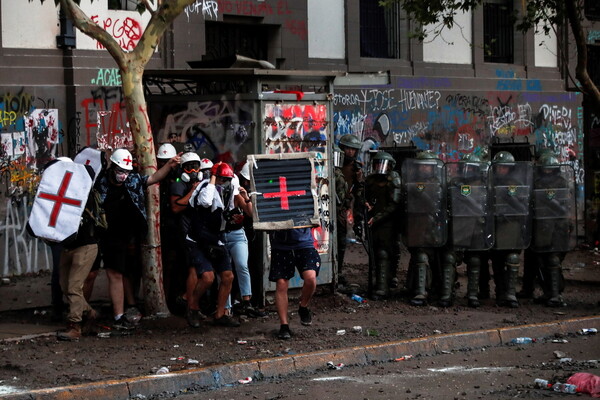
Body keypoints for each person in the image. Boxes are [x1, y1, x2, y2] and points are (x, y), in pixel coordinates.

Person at [96, 147, 180, 330]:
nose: (123, 176)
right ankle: (116, 315)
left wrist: (169, 166)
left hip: (129, 235)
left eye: (126, 172)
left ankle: (124, 310)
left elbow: (153, 178)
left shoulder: (133, 180)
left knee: (124, 272)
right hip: (106, 235)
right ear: (112, 168)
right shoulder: (100, 182)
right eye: (120, 171)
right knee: (113, 273)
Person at [186, 162, 240, 328]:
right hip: (198, 239)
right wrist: (212, 179)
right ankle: (192, 307)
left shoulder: (228, 188)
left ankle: (220, 314)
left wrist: (234, 218)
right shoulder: (204, 187)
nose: (224, 181)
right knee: (208, 277)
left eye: (226, 179)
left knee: (227, 276)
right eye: (221, 178)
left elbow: (228, 210)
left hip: (216, 238)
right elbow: (206, 202)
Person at [57, 184, 106, 341]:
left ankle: (75, 326)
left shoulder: (84, 192)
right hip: (68, 246)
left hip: (85, 245)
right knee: (65, 286)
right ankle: (90, 313)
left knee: (73, 287)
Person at [446, 154, 493, 308]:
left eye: (471, 168)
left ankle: (473, 294)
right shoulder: (454, 183)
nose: (467, 171)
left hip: (476, 227)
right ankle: (447, 294)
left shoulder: (483, 186)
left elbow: (483, 208)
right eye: (465, 167)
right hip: (458, 226)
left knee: (475, 260)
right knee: (450, 258)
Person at [402, 150, 447, 306]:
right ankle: (420, 291)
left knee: (437, 260)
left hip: (433, 227)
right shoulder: (411, 183)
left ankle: (436, 288)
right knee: (419, 256)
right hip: (416, 225)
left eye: (427, 166)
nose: (424, 169)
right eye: (421, 166)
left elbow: (436, 205)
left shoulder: (438, 184)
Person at [489, 151, 532, 308]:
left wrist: (510, 202)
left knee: (513, 258)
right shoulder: (490, 183)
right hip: (495, 227)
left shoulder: (517, 185)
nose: (502, 170)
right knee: (497, 262)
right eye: (499, 167)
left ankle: (511, 293)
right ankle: (500, 293)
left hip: (511, 226)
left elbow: (523, 208)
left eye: (505, 167)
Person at [530, 155, 575, 307]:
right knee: (541, 261)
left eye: (550, 168)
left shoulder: (561, 182)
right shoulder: (536, 182)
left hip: (557, 226)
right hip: (541, 225)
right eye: (545, 168)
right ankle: (548, 291)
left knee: (554, 259)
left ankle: (556, 294)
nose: (547, 171)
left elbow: (566, 205)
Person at [223, 162, 265, 318]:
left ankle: (247, 302)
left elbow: (251, 213)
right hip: (224, 235)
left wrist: (246, 198)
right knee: (227, 273)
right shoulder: (217, 195)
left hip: (241, 234)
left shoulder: (240, 195)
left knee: (243, 266)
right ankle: (227, 306)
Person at [170, 152, 208, 316]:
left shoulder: (203, 183)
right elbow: (176, 207)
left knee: (200, 270)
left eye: (196, 167)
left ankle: (191, 302)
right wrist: (193, 191)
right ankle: (189, 303)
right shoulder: (179, 185)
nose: (193, 171)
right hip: (185, 233)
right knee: (193, 269)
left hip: (199, 231)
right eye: (189, 167)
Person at [269, 227, 320, 340]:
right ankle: (284, 325)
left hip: (304, 242)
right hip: (280, 245)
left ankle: (303, 306)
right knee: (281, 283)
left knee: (311, 278)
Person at [364, 151, 401, 298]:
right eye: (378, 164)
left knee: (384, 253)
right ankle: (377, 282)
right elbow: (364, 195)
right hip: (373, 222)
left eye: (383, 164)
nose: (380, 167)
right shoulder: (371, 180)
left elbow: (394, 204)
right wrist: (366, 204)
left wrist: (378, 217)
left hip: (388, 223)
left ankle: (383, 286)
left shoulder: (393, 180)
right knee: (374, 253)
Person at [337, 134, 365, 284]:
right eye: (347, 148)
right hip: (330, 206)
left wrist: (360, 181)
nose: (350, 152)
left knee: (341, 242)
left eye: (353, 150)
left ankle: (339, 272)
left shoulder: (356, 168)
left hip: (342, 208)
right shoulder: (335, 163)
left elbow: (359, 195)